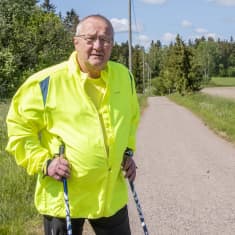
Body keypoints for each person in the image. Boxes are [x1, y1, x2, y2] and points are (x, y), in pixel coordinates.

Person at [6, 14, 140, 235]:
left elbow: (130, 119)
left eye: (105, 40)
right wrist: (44, 162)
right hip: (63, 198)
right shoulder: (46, 82)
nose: (98, 46)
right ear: (75, 42)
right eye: (90, 38)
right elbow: (19, 128)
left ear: (112, 45)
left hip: (109, 196)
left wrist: (127, 152)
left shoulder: (124, 77)